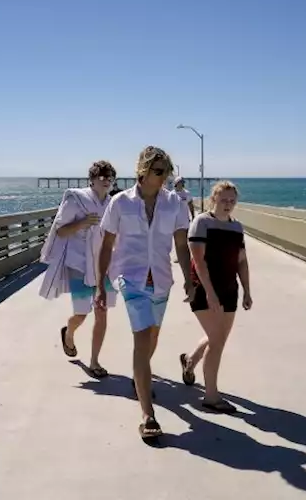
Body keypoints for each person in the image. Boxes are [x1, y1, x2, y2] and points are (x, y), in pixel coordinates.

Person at [97, 146, 194, 441]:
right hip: (132, 277)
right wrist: (101, 282)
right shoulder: (120, 203)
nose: (165, 176)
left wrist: (190, 279)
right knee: (142, 336)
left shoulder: (174, 203)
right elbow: (107, 244)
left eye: (167, 171)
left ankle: (140, 374)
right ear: (143, 170)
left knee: (152, 336)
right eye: (159, 171)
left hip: (161, 278)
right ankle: (148, 414)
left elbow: (180, 245)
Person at [37, 161, 118, 378]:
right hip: (79, 264)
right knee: (82, 314)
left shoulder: (112, 204)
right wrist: (82, 223)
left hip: (103, 265)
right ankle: (69, 331)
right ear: (91, 179)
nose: (107, 180)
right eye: (102, 176)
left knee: (102, 312)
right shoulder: (76, 199)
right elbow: (60, 231)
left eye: (110, 177)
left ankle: (94, 362)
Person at [178, 180, 251, 413]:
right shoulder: (201, 222)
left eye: (232, 200)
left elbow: (241, 260)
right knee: (217, 340)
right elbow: (197, 261)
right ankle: (211, 396)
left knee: (216, 338)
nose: (228, 204)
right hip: (204, 290)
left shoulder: (237, 227)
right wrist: (209, 293)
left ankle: (190, 361)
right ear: (213, 200)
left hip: (230, 290)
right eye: (223, 200)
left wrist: (247, 290)